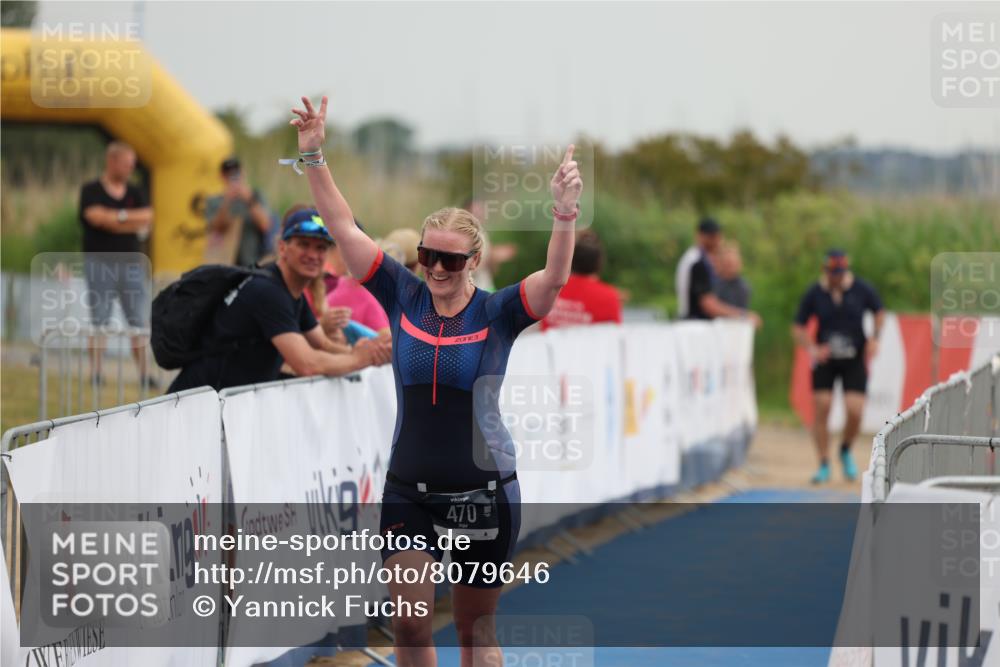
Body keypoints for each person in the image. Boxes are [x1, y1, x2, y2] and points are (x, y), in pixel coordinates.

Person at [290, 94, 581, 667]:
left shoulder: (498, 312)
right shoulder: (401, 292)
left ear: (474, 260)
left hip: (484, 493)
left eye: (452, 260)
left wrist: (564, 214)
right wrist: (314, 154)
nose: (438, 270)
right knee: (410, 624)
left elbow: (553, 280)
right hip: (410, 491)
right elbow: (344, 226)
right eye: (429, 257)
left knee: (474, 634)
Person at [167, 207, 391, 393]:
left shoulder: (291, 292)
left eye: (321, 247)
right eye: (304, 244)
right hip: (196, 407)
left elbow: (322, 344)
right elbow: (307, 364)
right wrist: (361, 359)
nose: (313, 255)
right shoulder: (267, 292)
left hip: (222, 405)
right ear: (282, 247)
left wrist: (361, 351)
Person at [793, 249, 884, 484]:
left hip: (854, 358)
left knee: (855, 410)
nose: (838, 277)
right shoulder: (816, 292)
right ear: (826, 272)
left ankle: (844, 449)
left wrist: (875, 338)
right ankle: (823, 463)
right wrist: (812, 348)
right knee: (822, 406)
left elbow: (879, 312)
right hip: (826, 359)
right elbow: (798, 326)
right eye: (834, 273)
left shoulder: (861, 288)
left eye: (841, 273)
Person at [79, 141, 155, 387]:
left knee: (138, 320)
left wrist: (115, 217)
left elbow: (147, 218)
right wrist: (128, 221)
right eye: (127, 163)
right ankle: (97, 373)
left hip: (132, 264)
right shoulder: (90, 190)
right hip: (99, 263)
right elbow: (93, 217)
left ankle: (144, 375)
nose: (131, 168)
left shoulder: (135, 192)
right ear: (112, 161)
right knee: (100, 319)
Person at [676, 217, 762, 326]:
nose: (717, 240)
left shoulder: (694, 257)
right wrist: (743, 315)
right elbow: (708, 304)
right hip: (694, 325)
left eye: (717, 235)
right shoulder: (697, 261)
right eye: (712, 236)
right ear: (700, 236)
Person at [541, 230, 622, 330]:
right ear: (599, 263)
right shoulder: (609, 297)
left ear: (571, 260)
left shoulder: (551, 289)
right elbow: (613, 337)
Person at [204, 157, 274, 267]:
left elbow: (265, 225)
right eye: (229, 174)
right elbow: (217, 229)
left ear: (243, 173)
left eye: (236, 173)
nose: (233, 177)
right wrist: (227, 201)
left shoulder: (255, 196)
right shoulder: (214, 201)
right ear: (222, 176)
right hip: (225, 263)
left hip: (253, 262)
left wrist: (249, 200)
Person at [462, 198, 518, 292]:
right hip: (472, 291)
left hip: (486, 286)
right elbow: (467, 268)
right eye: (474, 212)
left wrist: (494, 257)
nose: (479, 216)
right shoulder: (462, 237)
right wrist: (493, 255)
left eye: (481, 212)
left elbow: (491, 268)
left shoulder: (482, 234)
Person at [713, 242, 752, 309]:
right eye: (728, 263)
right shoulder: (713, 284)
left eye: (733, 263)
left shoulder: (743, 287)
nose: (730, 266)